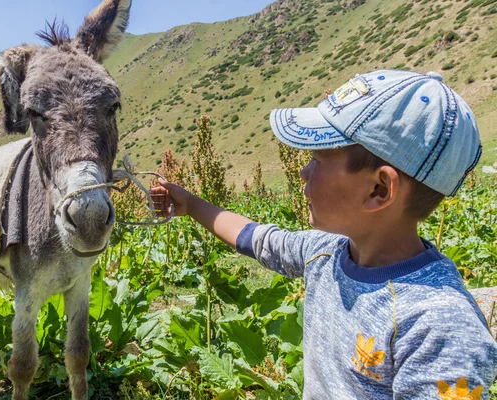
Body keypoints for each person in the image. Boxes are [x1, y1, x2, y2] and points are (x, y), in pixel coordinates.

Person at [151, 70, 497, 399]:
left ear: (379, 189)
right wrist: (191, 204)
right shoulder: (327, 253)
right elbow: (257, 238)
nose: (303, 171)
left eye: (317, 159)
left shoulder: (440, 325)